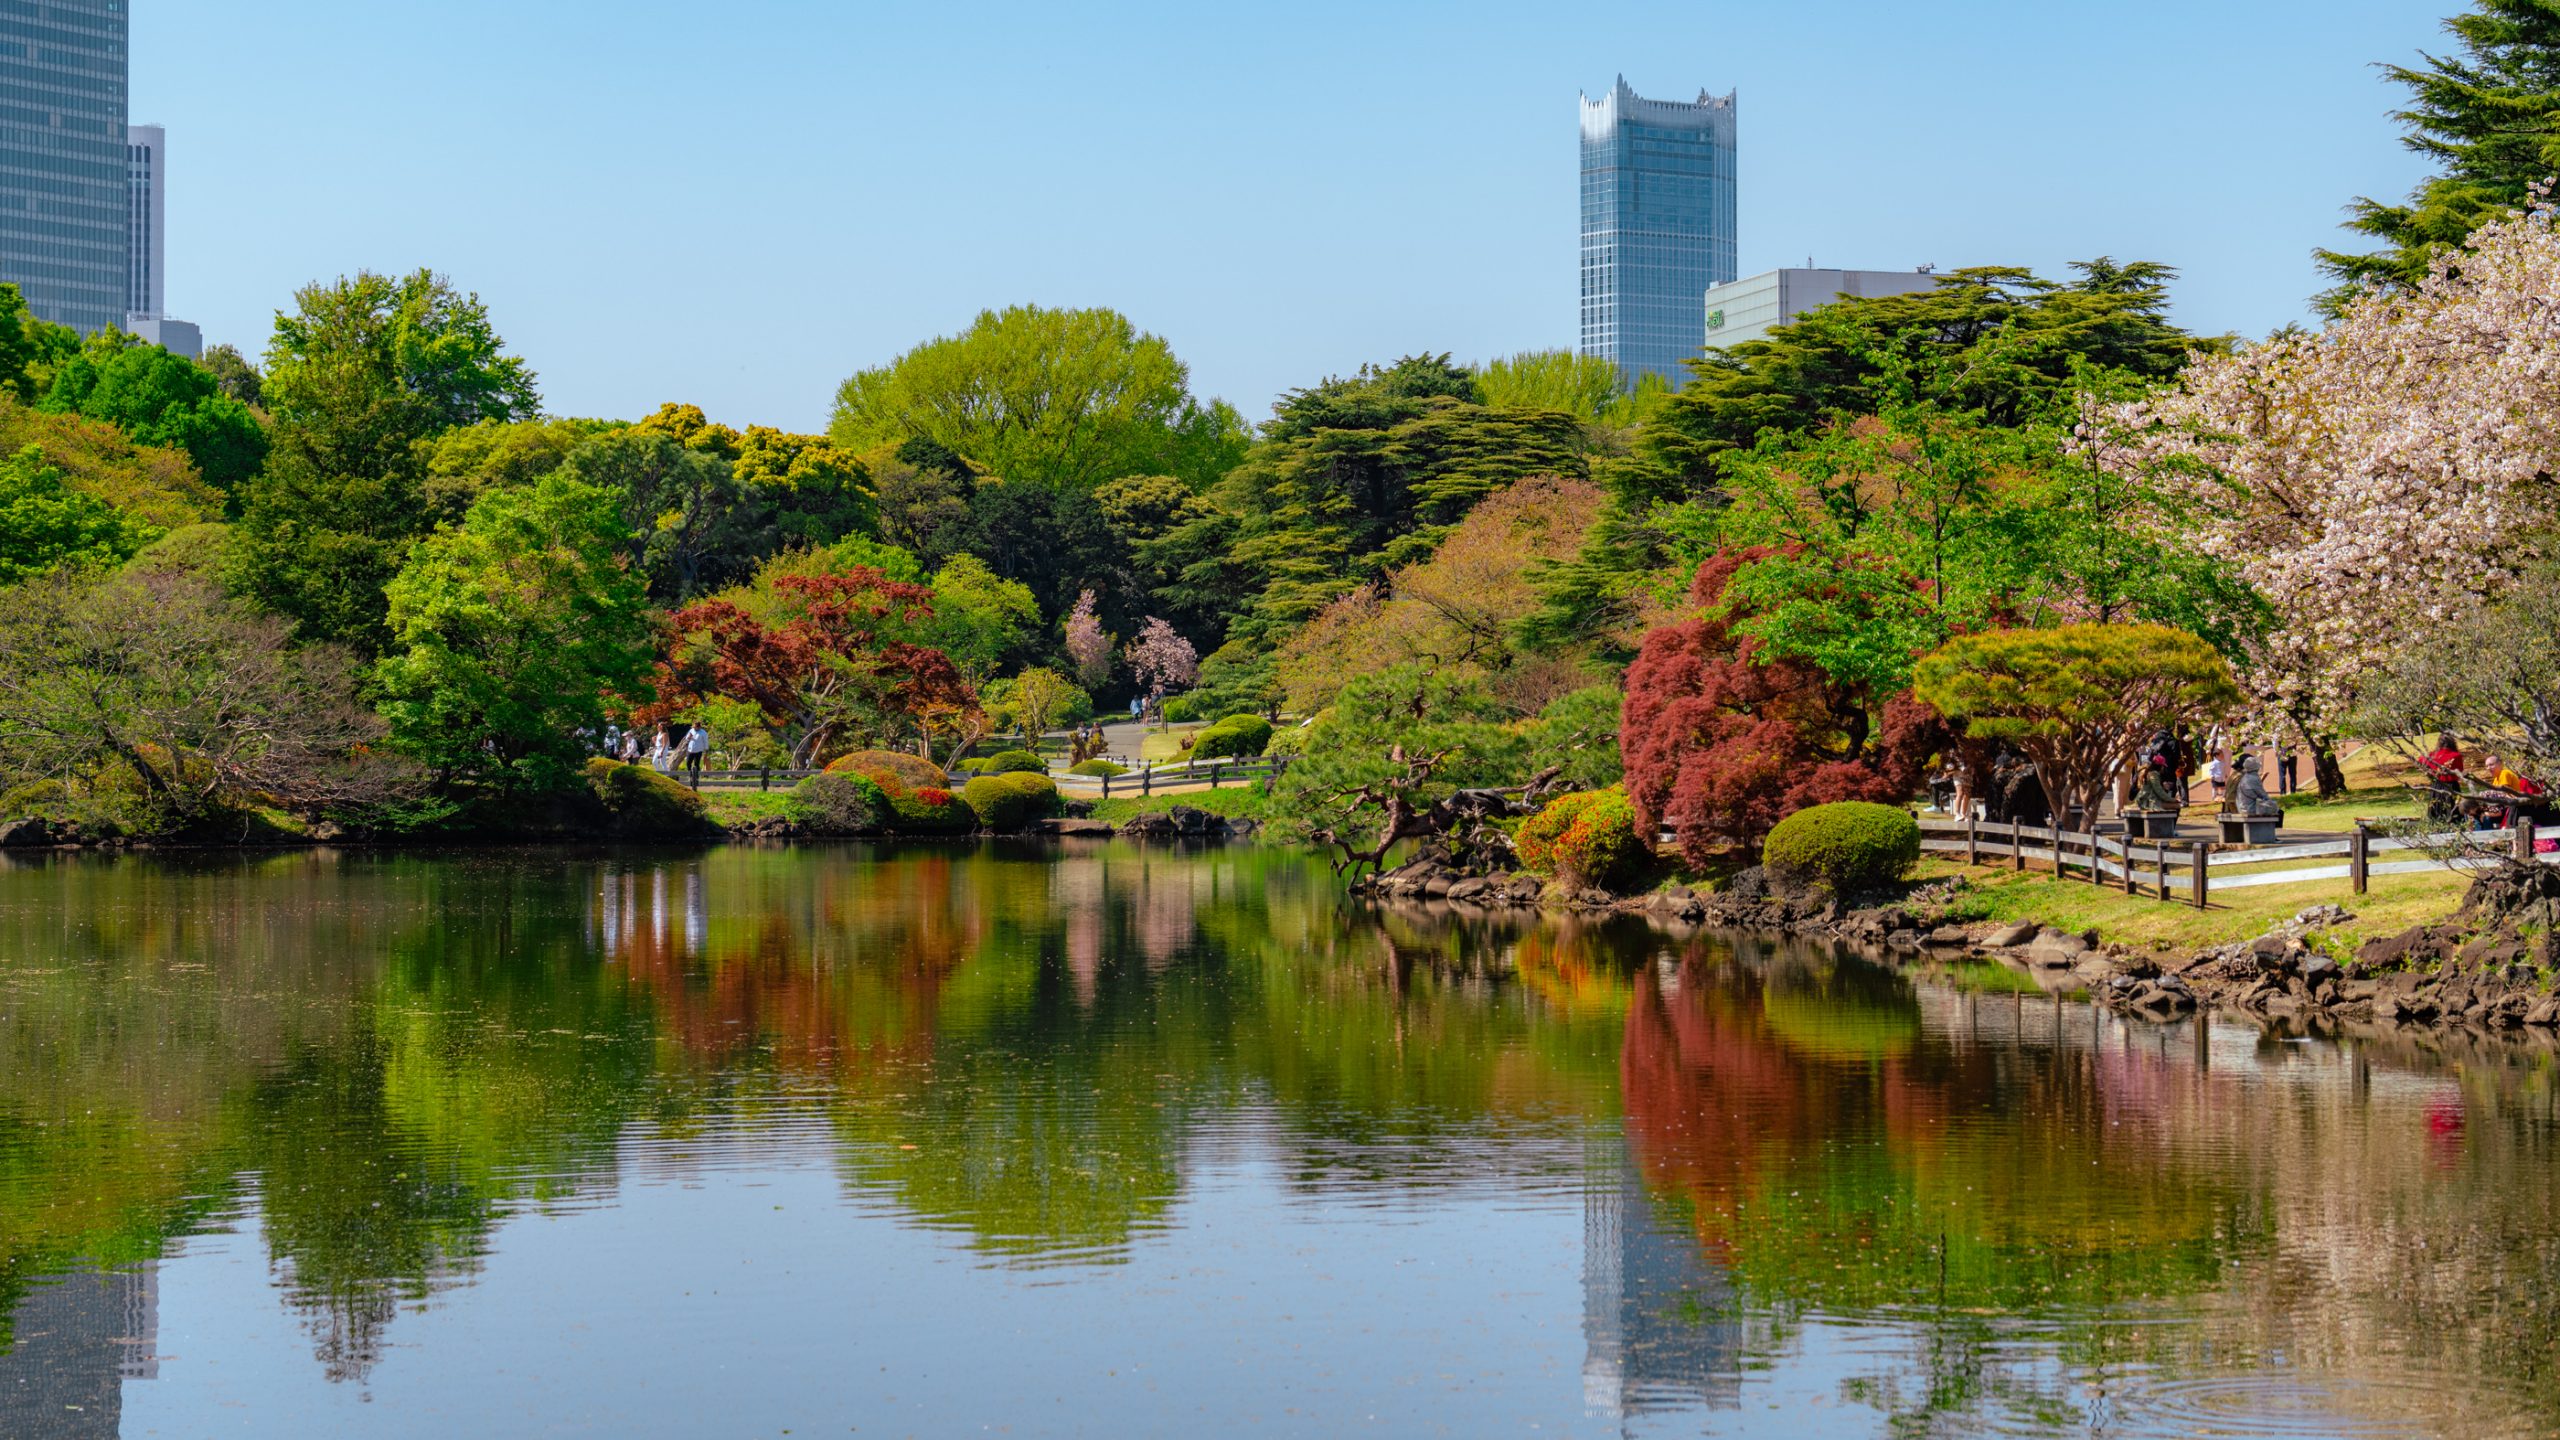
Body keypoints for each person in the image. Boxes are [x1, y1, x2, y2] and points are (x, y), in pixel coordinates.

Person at [2231, 754, 2283, 819]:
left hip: (2242, 807)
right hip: (2249, 809)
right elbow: (2263, 795)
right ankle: (2268, 828)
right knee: (2275, 808)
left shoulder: (2245, 776)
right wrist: (2273, 803)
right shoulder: (2253, 778)